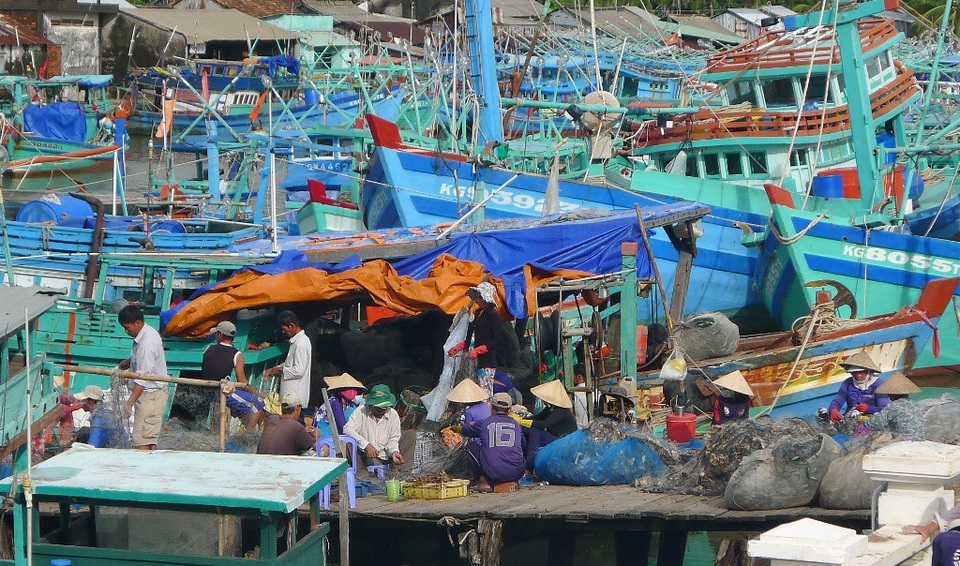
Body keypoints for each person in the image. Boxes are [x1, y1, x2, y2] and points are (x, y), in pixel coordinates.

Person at [117, 305, 169, 451]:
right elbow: (144, 362)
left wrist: (129, 404)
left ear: (138, 323)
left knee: (141, 439)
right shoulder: (146, 333)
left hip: (151, 395)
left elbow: (142, 379)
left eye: (127, 327)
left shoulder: (147, 343)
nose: (126, 331)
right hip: (152, 393)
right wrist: (129, 361)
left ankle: (140, 471)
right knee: (149, 437)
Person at [203, 321, 264, 429]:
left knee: (241, 407)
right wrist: (257, 393)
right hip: (222, 392)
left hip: (207, 391)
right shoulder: (237, 354)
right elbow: (242, 381)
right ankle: (248, 437)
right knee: (258, 403)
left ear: (220, 335)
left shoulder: (208, 349)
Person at [462, 392, 527, 490]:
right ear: (509, 410)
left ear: (491, 407)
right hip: (517, 473)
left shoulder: (484, 423)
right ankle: (514, 481)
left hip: (493, 473)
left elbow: (465, 430)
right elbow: (523, 445)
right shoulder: (516, 424)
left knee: (471, 447)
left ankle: (484, 483)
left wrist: (471, 424)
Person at [448, 282, 505, 394]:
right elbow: (472, 335)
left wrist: (480, 350)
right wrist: (460, 346)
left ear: (486, 298)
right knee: (471, 391)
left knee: (484, 391)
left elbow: (498, 339)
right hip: (471, 361)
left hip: (486, 362)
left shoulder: (493, 315)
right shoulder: (478, 313)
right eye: (477, 297)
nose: (477, 301)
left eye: (480, 297)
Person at [343, 384, 403, 468]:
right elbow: (347, 429)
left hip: (385, 455)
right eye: (377, 407)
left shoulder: (393, 414)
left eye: (383, 407)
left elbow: (393, 439)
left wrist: (394, 452)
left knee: (410, 435)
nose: (380, 409)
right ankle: (362, 474)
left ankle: (398, 470)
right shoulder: (360, 411)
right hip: (363, 455)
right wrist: (365, 445)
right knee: (349, 443)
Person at [264, 311, 312, 412]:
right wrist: (274, 369)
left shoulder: (301, 343)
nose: (283, 332)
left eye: (284, 329)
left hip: (295, 399)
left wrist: (280, 371)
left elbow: (299, 371)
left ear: (292, 326)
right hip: (289, 399)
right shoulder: (295, 342)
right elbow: (289, 364)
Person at [525, 379, 577, 471]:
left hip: (562, 441)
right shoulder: (550, 409)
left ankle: (530, 465)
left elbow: (544, 424)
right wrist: (521, 420)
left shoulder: (561, 411)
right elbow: (536, 417)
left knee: (535, 432)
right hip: (554, 438)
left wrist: (528, 423)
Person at [822, 352, 889, 423]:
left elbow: (884, 409)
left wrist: (868, 409)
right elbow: (837, 401)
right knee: (822, 413)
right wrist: (834, 409)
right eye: (854, 372)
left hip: (871, 420)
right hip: (850, 418)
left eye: (861, 372)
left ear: (869, 372)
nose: (857, 374)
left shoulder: (879, 384)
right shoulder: (848, 383)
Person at [315, 373, 366, 456]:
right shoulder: (335, 402)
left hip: (337, 430)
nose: (351, 391)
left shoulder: (350, 404)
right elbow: (342, 425)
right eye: (347, 389)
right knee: (351, 412)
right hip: (325, 432)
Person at [863, 372, 924, 439]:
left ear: (893, 394)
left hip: (903, 441)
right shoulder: (916, 405)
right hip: (919, 439)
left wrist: (864, 420)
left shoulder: (893, 406)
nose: (888, 396)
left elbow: (874, 424)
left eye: (889, 393)